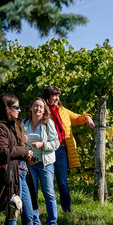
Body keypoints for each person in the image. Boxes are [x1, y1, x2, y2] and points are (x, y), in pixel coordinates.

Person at [0, 94, 44, 225]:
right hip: (9, 176)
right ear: (7, 108)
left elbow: (18, 148)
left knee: (28, 213)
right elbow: (2, 151)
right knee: (12, 213)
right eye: (16, 107)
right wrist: (24, 151)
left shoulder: (17, 125)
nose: (20, 110)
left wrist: (27, 156)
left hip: (21, 174)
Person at [41, 86, 95, 214]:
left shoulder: (62, 110)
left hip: (61, 150)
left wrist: (87, 117)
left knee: (62, 181)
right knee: (47, 183)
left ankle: (67, 210)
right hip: (46, 150)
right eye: (53, 95)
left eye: (58, 96)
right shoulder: (42, 110)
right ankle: (50, 211)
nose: (56, 98)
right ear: (47, 96)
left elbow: (76, 118)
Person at [22, 97, 60, 225]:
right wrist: (23, 142)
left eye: (41, 107)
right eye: (36, 106)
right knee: (32, 194)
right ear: (31, 108)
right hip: (30, 163)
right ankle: (35, 223)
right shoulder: (24, 123)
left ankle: (53, 223)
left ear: (44, 111)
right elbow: (18, 142)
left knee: (49, 193)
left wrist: (42, 144)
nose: (38, 109)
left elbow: (56, 143)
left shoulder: (48, 123)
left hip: (45, 163)